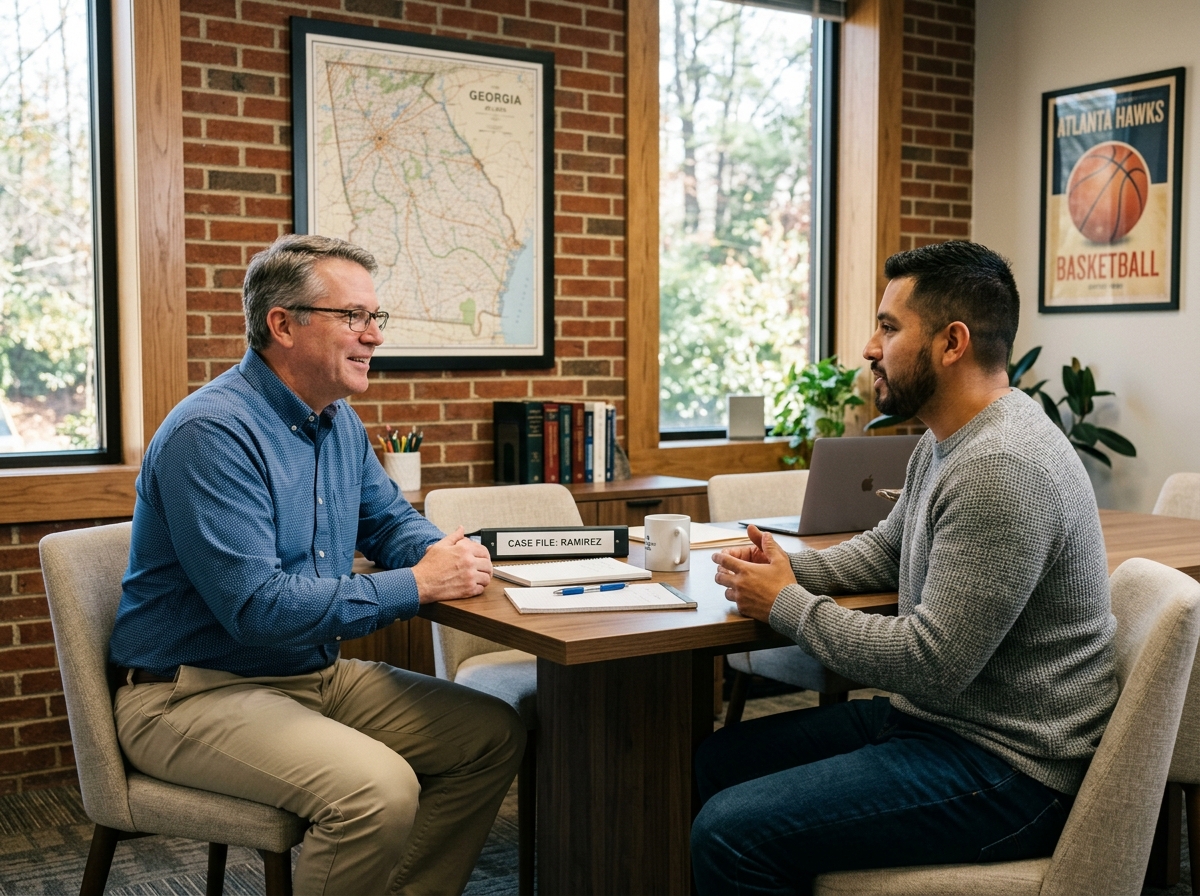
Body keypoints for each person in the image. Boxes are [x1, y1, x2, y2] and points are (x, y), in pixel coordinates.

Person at [693, 240, 1118, 895]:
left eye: (889, 328)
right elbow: (888, 549)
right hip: (940, 725)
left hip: (1010, 769)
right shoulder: (946, 440)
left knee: (729, 830)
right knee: (704, 765)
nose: (869, 347)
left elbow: (933, 662)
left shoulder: (1002, 466)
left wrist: (786, 603)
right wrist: (790, 572)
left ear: (951, 343)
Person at [108, 234, 525, 896]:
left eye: (375, 318)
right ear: (283, 325)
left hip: (308, 674)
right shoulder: (211, 433)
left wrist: (440, 554)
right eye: (355, 317)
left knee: (491, 734)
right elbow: (257, 608)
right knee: (376, 790)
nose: (375, 336)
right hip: (190, 694)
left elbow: (388, 521)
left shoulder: (337, 422)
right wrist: (417, 585)